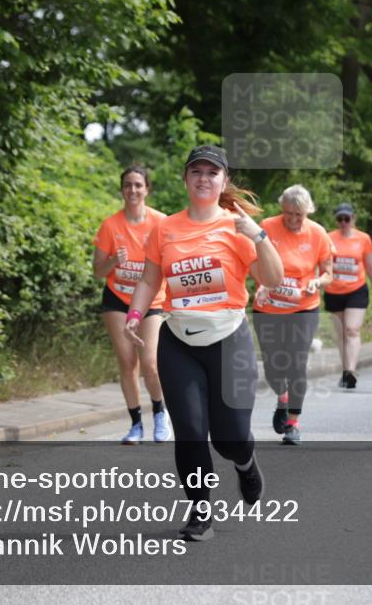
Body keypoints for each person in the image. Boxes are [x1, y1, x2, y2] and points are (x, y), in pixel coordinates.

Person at [123, 145, 282, 542]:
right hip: (179, 341)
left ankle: (245, 464)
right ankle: (200, 511)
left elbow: (273, 280)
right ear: (186, 179)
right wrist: (135, 314)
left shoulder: (237, 226)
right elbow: (149, 279)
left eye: (213, 172)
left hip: (229, 340)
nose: (204, 178)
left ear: (223, 181)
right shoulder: (166, 228)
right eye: (197, 171)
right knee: (191, 431)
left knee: (230, 435)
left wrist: (259, 236)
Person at [93, 166, 171, 445]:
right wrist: (114, 261)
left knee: (150, 362)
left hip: (152, 301)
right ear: (122, 189)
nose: (133, 190)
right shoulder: (110, 226)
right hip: (117, 299)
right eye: (128, 185)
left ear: (147, 189)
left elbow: (172, 262)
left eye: (138, 185)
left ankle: (160, 414)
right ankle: (136, 424)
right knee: (128, 363)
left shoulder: (161, 223)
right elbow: (98, 271)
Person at [252, 185, 333, 445]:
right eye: (288, 213)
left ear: (308, 212)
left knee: (296, 364)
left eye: (299, 215)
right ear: (281, 209)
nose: (293, 220)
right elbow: (253, 261)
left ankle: (293, 423)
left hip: (303, 309)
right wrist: (262, 283)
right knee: (274, 367)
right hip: (269, 308)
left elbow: (328, 273)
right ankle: (282, 397)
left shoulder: (319, 233)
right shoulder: (267, 226)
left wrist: (317, 283)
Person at [324, 202, 372, 390]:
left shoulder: (363, 239)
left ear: (353, 219)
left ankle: (351, 370)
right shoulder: (328, 238)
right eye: (339, 219)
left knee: (352, 329)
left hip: (356, 290)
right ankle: (345, 370)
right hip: (333, 292)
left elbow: (371, 266)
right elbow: (322, 264)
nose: (343, 223)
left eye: (346, 219)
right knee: (341, 334)